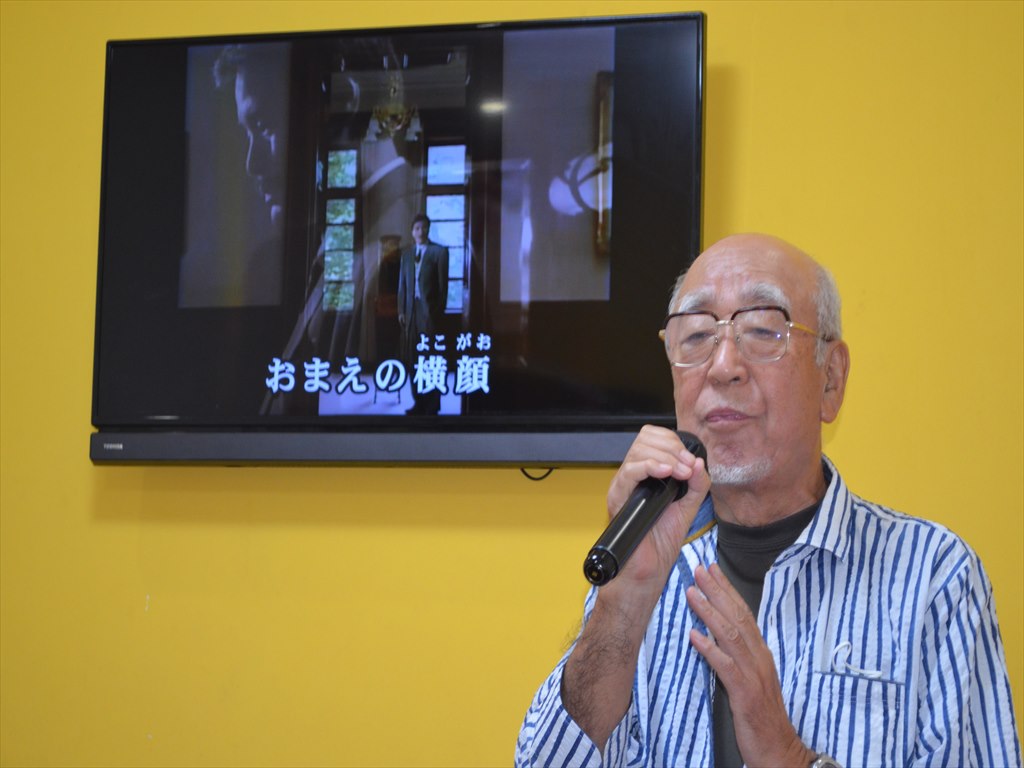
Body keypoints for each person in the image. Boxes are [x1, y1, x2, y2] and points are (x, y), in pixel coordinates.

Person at [515, 233, 1020, 767]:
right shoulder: (640, 567)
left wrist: (787, 755)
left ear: (831, 380)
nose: (722, 365)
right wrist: (622, 602)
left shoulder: (934, 576)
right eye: (696, 336)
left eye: (761, 330)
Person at [397, 214, 449, 415]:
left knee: (432, 358)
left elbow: (443, 288)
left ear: (429, 229)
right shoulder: (406, 255)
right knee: (413, 359)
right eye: (417, 228)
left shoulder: (439, 252)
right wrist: (401, 310)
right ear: (412, 232)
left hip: (429, 314)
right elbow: (402, 286)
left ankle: (433, 404)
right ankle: (418, 402)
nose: (421, 231)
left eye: (424, 227)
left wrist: (436, 313)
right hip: (411, 313)